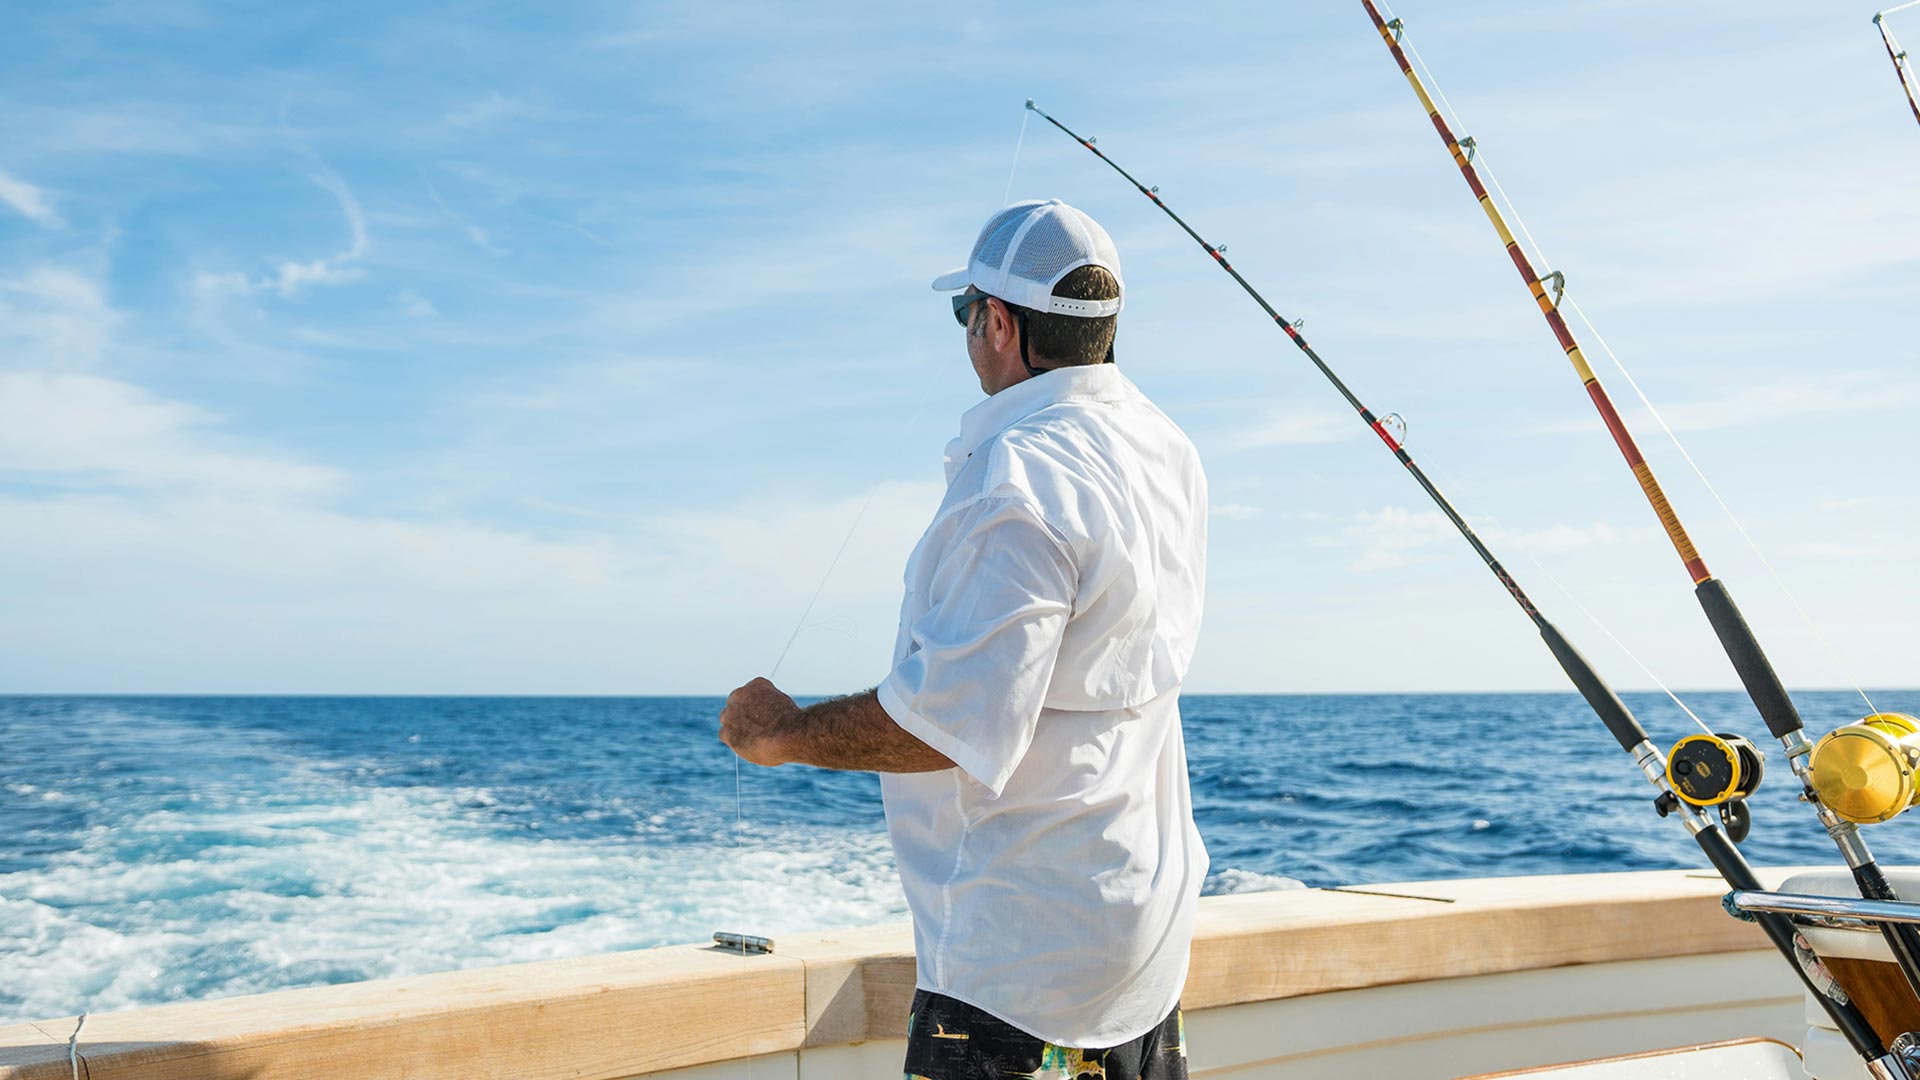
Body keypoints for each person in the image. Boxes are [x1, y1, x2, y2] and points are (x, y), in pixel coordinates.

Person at [719, 198, 1209, 1080]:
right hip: (1145, 948)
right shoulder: (1167, 450)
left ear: (1000, 325)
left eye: (966, 313)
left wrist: (780, 734)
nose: (968, 331)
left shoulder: (1021, 480)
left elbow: (950, 725)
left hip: (1018, 974)